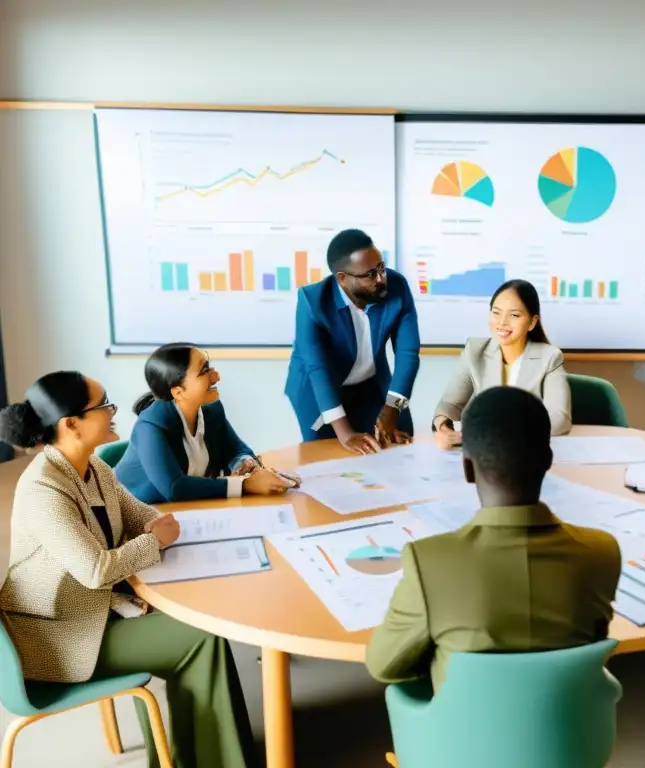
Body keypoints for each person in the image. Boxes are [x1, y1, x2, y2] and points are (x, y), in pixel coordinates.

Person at [0, 372, 255, 768]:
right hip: (60, 639)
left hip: (99, 611)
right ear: (71, 424)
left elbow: (140, 517)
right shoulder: (43, 489)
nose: (113, 411)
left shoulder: (93, 468)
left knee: (194, 631)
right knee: (201, 639)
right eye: (103, 406)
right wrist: (155, 540)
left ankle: (192, 755)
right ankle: (210, 758)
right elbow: (96, 570)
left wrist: (157, 529)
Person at [365, 386, 621, 691]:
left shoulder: (428, 563)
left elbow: (383, 665)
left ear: (467, 468)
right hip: (575, 732)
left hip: (461, 735)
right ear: (548, 459)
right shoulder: (602, 552)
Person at [286, 228, 420, 454]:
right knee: (328, 455)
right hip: (320, 390)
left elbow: (408, 352)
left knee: (395, 441)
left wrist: (391, 410)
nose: (381, 279)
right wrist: (346, 433)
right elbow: (315, 367)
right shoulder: (312, 301)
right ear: (342, 279)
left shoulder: (396, 286)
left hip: (369, 384)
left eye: (382, 268)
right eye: (370, 274)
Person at [116, 343, 295, 504]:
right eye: (204, 371)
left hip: (186, 508)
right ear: (178, 392)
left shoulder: (211, 409)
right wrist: (245, 485)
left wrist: (245, 464)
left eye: (210, 367)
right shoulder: (150, 425)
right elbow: (174, 488)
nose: (216, 377)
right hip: (137, 513)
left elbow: (237, 449)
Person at [432, 279, 571, 449]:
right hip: (485, 455)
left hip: (527, 453)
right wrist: (443, 427)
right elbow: (449, 404)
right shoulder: (475, 351)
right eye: (496, 312)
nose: (502, 322)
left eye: (514, 315)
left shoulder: (549, 357)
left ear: (532, 322)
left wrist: (501, 431)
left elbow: (560, 418)